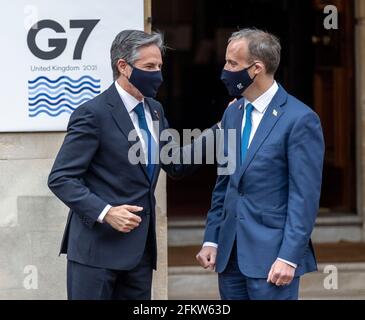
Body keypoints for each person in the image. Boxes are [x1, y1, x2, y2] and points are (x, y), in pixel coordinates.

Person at [48, 30, 219, 300]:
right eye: (149, 67)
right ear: (123, 67)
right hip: (97, 252)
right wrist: (106, 212)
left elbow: (174, 163)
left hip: (139, 255)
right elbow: (61, 178)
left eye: (160, 67)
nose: (158, 75)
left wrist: (219, 131)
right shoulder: (93, 114)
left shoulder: (155, 110)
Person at [196, 28, 325, 300]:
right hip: (229, 258)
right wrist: (212, 238)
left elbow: (304, 197)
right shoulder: (232, 113)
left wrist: (289, 257)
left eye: (232, 63)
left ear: (256, 68)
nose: (225, 70)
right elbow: (225, 184)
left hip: (272, 260)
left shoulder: (301, 119)